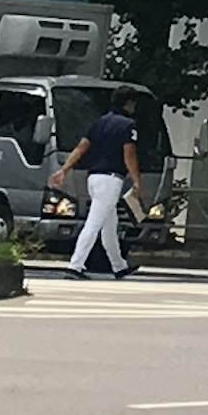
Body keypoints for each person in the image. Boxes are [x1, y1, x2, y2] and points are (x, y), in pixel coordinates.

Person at [68, 92, 139, 280]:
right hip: (111, 178)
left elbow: (81, 147)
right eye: (133, 104)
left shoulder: (98, 123)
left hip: (94, 177)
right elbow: (129, 154)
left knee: (109, 224)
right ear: (128, 103)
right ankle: (75, 265)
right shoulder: (128, 125)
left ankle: (119, 265)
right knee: (94, 223)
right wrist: (136, 180)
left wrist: (64, 169)